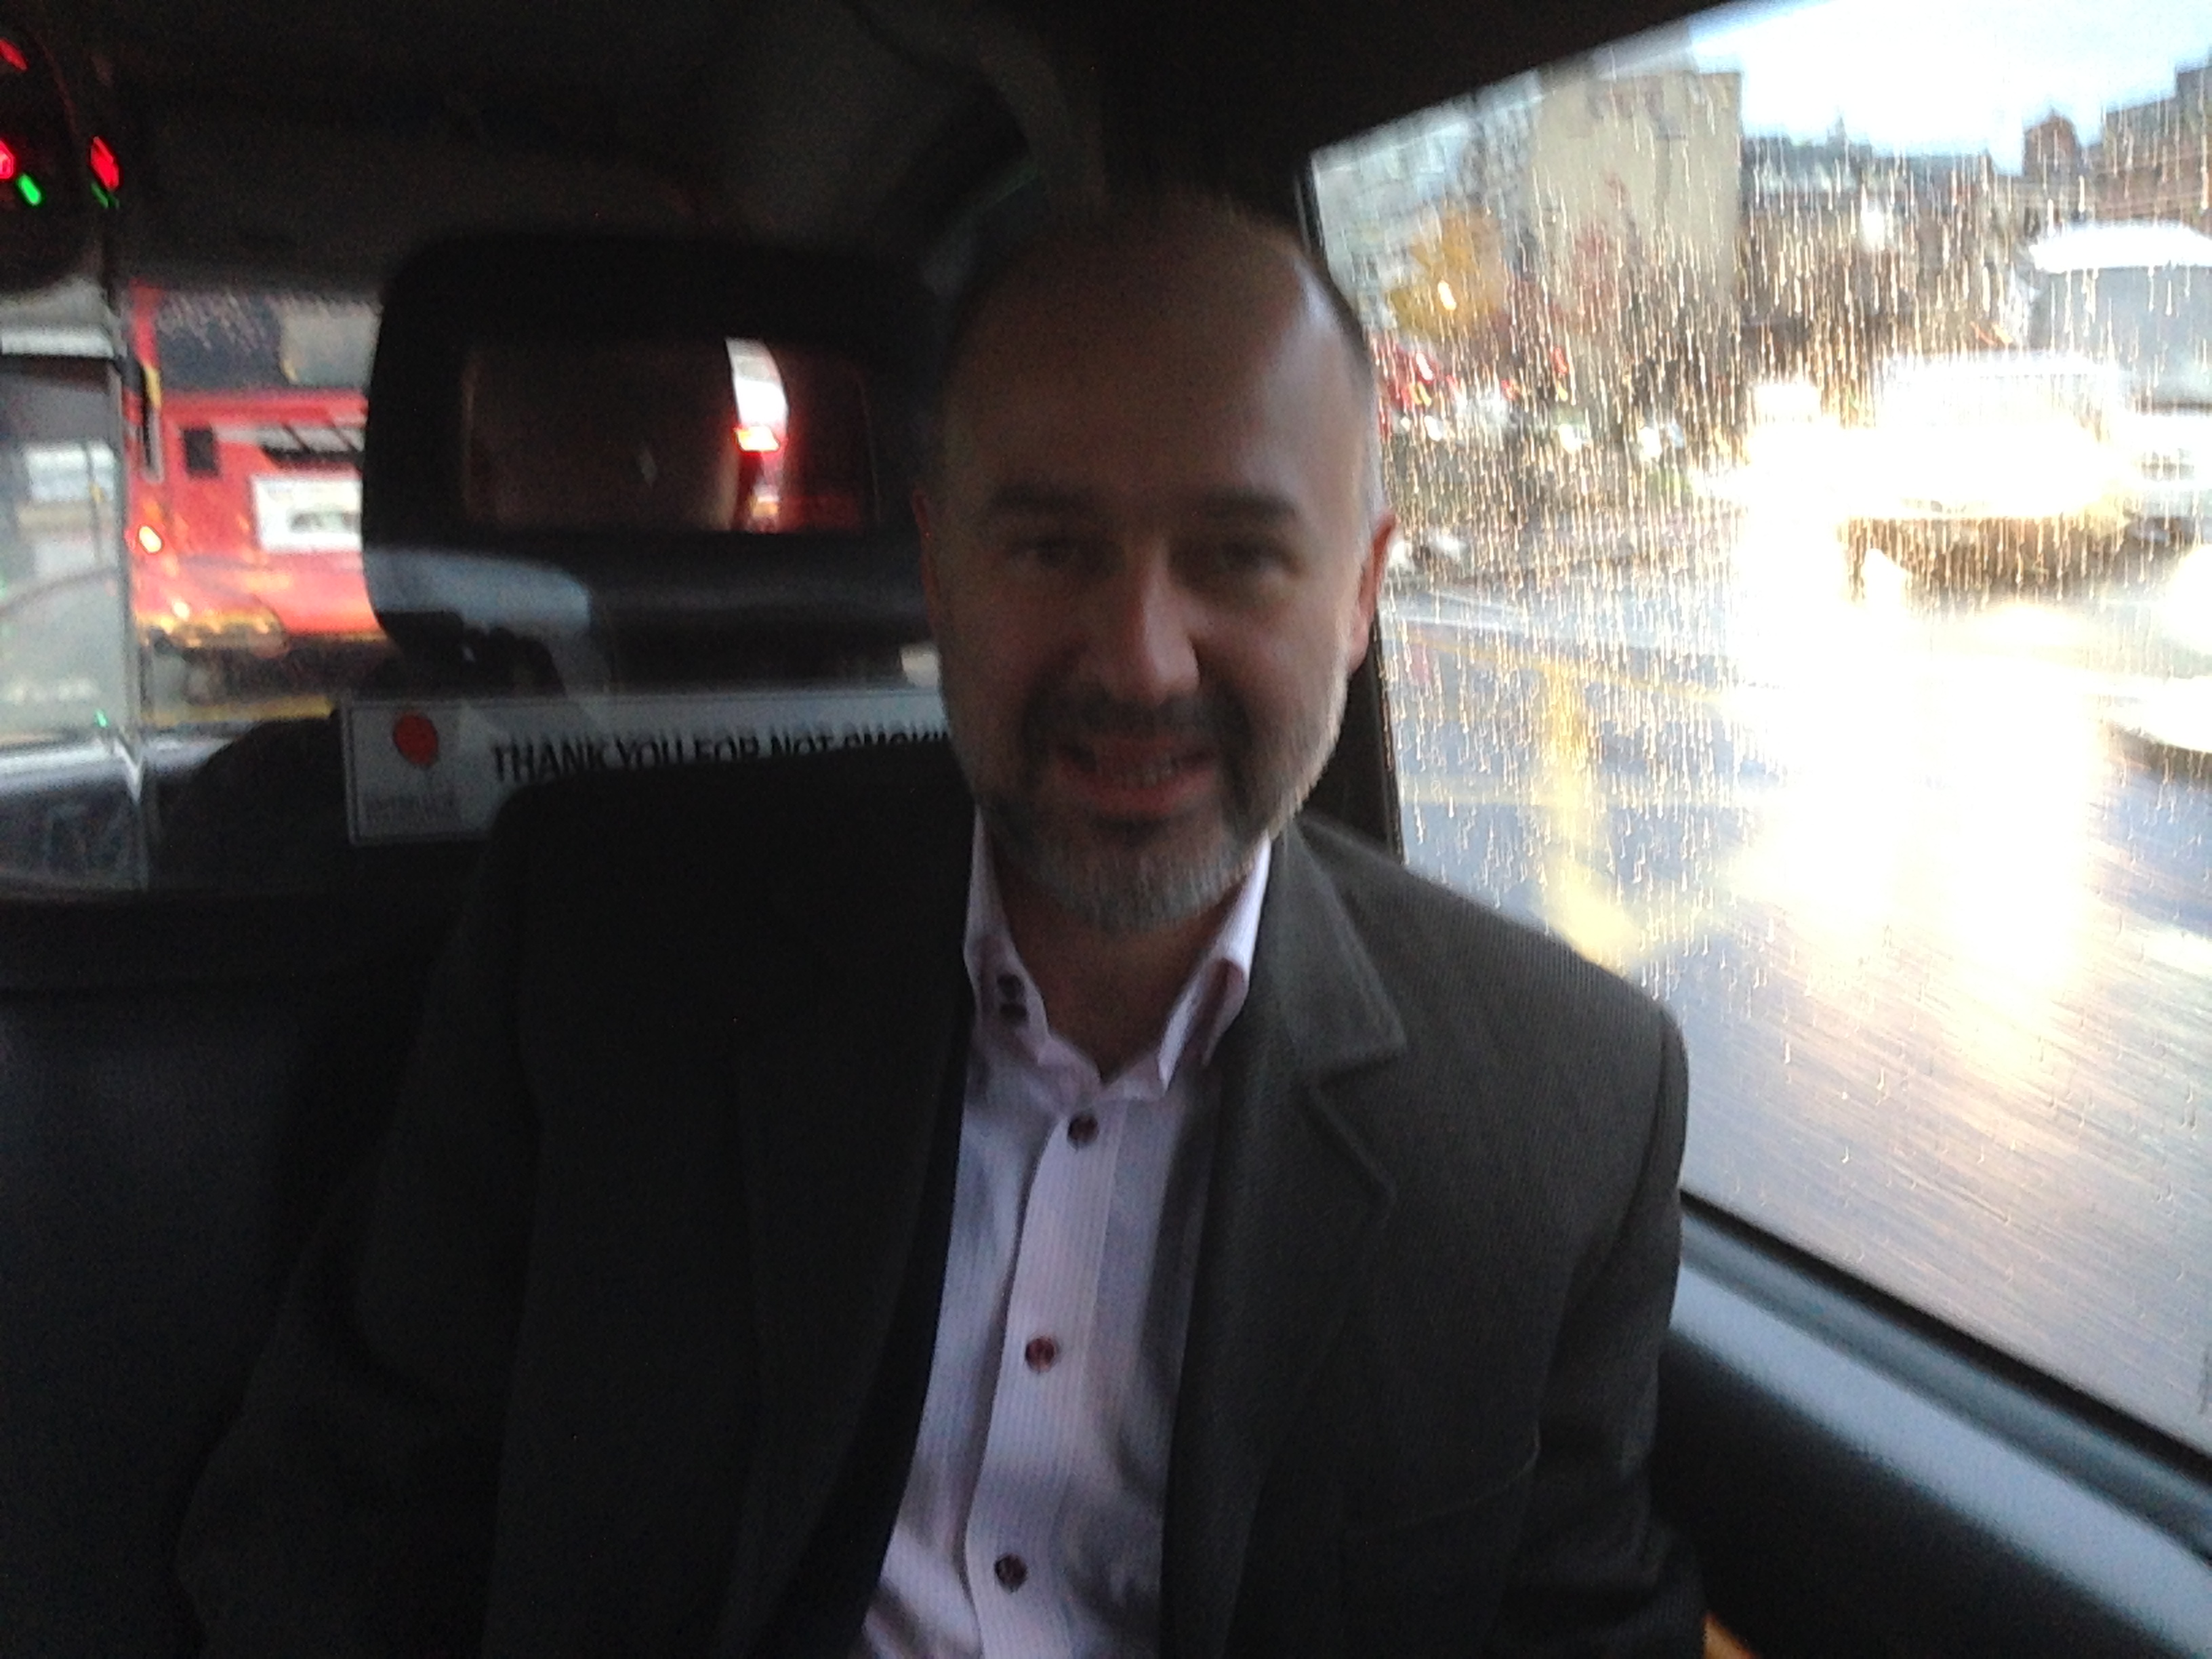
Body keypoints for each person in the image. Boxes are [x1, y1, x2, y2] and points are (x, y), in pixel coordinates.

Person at [179, 197, 1702, 1656]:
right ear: (938, 567)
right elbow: (334, 1541)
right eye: (1050, 548)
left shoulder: (1565, 1111)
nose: (1142, 660)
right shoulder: (599, 945)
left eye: (1239, 556)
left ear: (1361, 593)